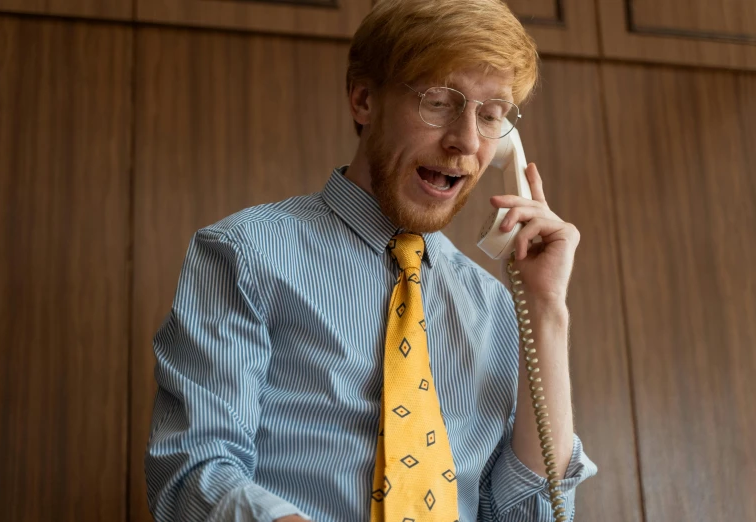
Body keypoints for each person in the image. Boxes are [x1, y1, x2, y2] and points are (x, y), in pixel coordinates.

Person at [144, 0, 598, 520]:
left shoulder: (495, 307)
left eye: (490, 115)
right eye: (438, 102)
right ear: (364, 99)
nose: (466, 141)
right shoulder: (245, 254)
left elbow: (530, 514)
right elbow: (192, 474)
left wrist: (546, 309)